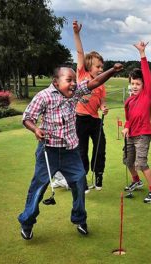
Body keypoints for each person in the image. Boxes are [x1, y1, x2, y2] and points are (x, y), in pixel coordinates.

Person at [18, 63, 123, 240]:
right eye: (69, 80)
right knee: (38, 187)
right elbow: (27, 118)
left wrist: (112, 70)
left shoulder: (74, 93)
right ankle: (27, 223)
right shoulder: (43, 96)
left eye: (74, 80)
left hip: (71, 151)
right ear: (56, 82)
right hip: (48, 151)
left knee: (79, 183)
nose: (74, 84)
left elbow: (94, 82)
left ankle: (79, 219)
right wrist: (35, 129)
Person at [122, 41, 151, 203]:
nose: (135, 86)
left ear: (144, 85)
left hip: (143, 135)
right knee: (128, 161)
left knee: (141, 163)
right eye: (132, 84)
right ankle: (136, 181)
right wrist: (125, 127)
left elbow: (146, 74)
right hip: (131, 135)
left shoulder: (146, 95)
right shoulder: (128, 101)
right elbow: (128, 119)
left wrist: (142, 54)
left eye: (138, 83)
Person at [73, 20, 108, 192]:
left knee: (100, 147)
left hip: (95, 120)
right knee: (82, 150)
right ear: (89, 66)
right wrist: (76, 34)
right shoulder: (82, 74)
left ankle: (99, 173)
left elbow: (102, 101)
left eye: (102, 66)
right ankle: (83, 178)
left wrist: (104, 108)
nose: (101, 69)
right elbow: (80, 52)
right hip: (80, 119)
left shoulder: (101, 84)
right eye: (98, 66)